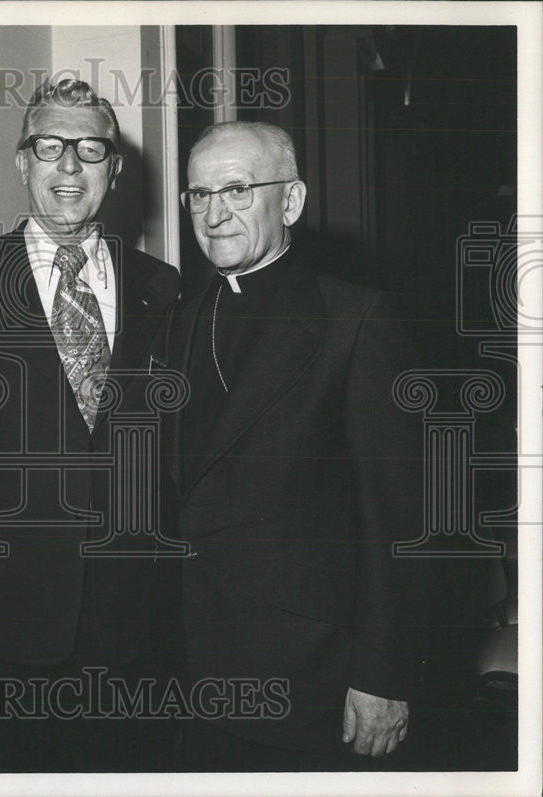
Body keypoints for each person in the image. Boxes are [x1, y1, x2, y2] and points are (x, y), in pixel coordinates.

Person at [0, 78, 181, 771]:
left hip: (138, 639)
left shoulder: (168, 291)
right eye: (50, 146)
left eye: (91, 149)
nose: (69, 166)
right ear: (23, 162)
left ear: (117, 168)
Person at [166, 121, 424, 771]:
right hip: (183, 672)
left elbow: (395, 520)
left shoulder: (356, 320)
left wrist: (381, 676)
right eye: (198, 194)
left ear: (291, 202)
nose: (214, 213)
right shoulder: (176, 320)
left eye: (237, 189)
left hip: (304, 675)